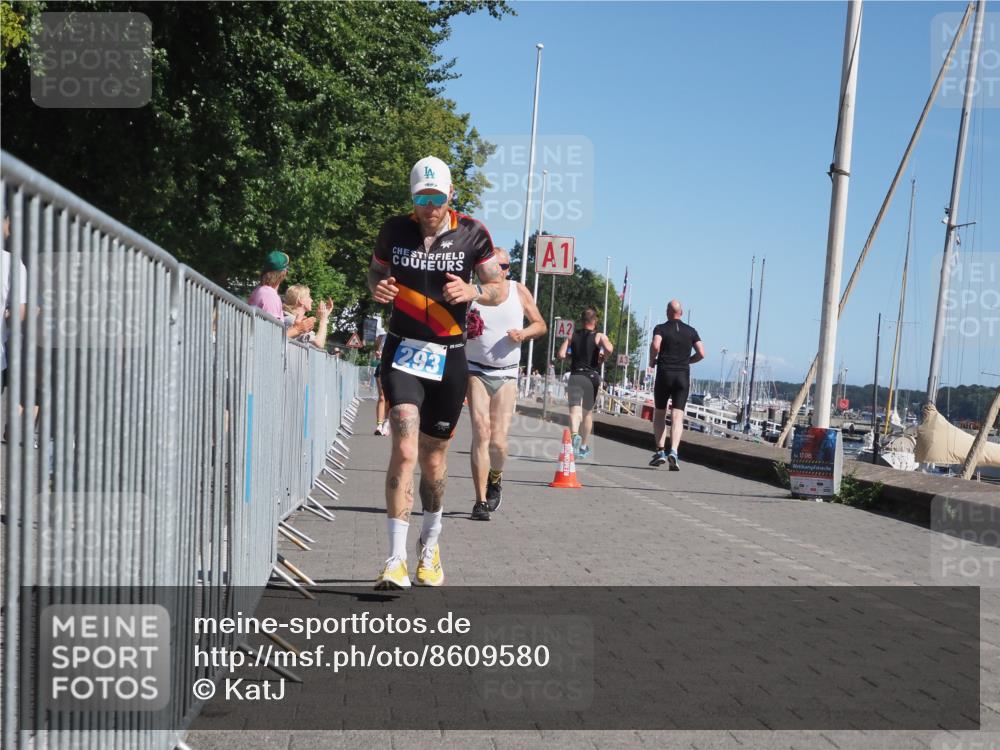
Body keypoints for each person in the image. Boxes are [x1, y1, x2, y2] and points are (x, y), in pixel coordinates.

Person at [368, 155, 504, 589]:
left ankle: (431, 543)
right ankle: (393, 560)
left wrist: (474, 291)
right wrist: (378, 288)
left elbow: (499, 289)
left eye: (437, 198)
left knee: (433, 459)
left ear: (450, 196)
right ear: (412, 198)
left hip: (449, 357)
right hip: (403, 350)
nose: (430, 207)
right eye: (422, 198)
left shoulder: (473, 234)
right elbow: (375, 273)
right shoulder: (395, 230)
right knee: (405, 448)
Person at [464, 247, 546, 520]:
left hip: (507, 374)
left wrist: (523, 334)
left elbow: (540, 324)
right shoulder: (471, 291)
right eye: (500, 265)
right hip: (475, 370)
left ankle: (495, 479)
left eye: (507, 266)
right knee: (480, 432)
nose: (503, 271)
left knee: (498, 443)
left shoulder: (518, 291)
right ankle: (480, 501)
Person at [648, 299, 705, 470]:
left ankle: (660, 451)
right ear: (681, 312)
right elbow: (702, 353)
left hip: (665, 373)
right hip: (682, 375)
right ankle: (674, 451)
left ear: (668, 311)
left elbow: (655, 345)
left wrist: (652, 360)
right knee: (677, 416)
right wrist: (688, 361)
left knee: (659, 413)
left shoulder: (661, 328)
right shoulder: (691, 331)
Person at [557, 308, 612, 459]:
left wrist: (570, 354)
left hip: (576, 375)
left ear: (581, 321)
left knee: (574, 411)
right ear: (595, 321)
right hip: (591, 377)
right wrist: (603, 358)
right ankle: (582, 446)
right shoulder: (599, 336)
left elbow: (561, 354)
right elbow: (609, 348)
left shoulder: (572, 335)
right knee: (587, 413)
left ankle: (574, 434)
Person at [282, 284, 333, 350]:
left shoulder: (289, 318)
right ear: (301, 300)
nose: (312, 300)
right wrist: (323, 319)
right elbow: (319, 343)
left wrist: (321, 317)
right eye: (309, 296)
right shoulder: (291, 320)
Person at [373, 335, 389, 435]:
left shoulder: (402, 335)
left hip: (395, 369)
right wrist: (378, 353)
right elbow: (377, 350)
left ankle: (386, 424)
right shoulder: (381, 337)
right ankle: (379, 425)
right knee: (382, 397)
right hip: (382, 366)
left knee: (390, 399)